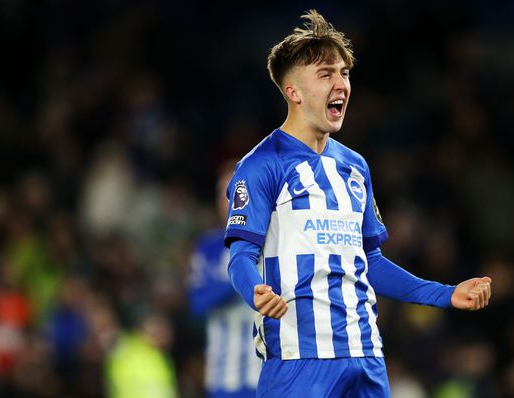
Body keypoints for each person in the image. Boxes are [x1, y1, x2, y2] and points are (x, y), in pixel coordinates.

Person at [224, 10, 492, 397]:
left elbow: (371, 263)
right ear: (293, 92)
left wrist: (445, 294)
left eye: (344, 73)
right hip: (298, 361)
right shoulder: (262, 165)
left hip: (365, 356)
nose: (341, 84)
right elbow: (240, 256)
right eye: (326, 74)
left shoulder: (354, 166)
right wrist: (255, 292)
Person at [188, 162, 261, 398]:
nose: (228, 201)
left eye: (236, 193)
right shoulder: (209, 247)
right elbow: (197, 304)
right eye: (223, 194)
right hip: (224, 378)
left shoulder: (273, 243)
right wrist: (240, 275)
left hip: (267, 374)